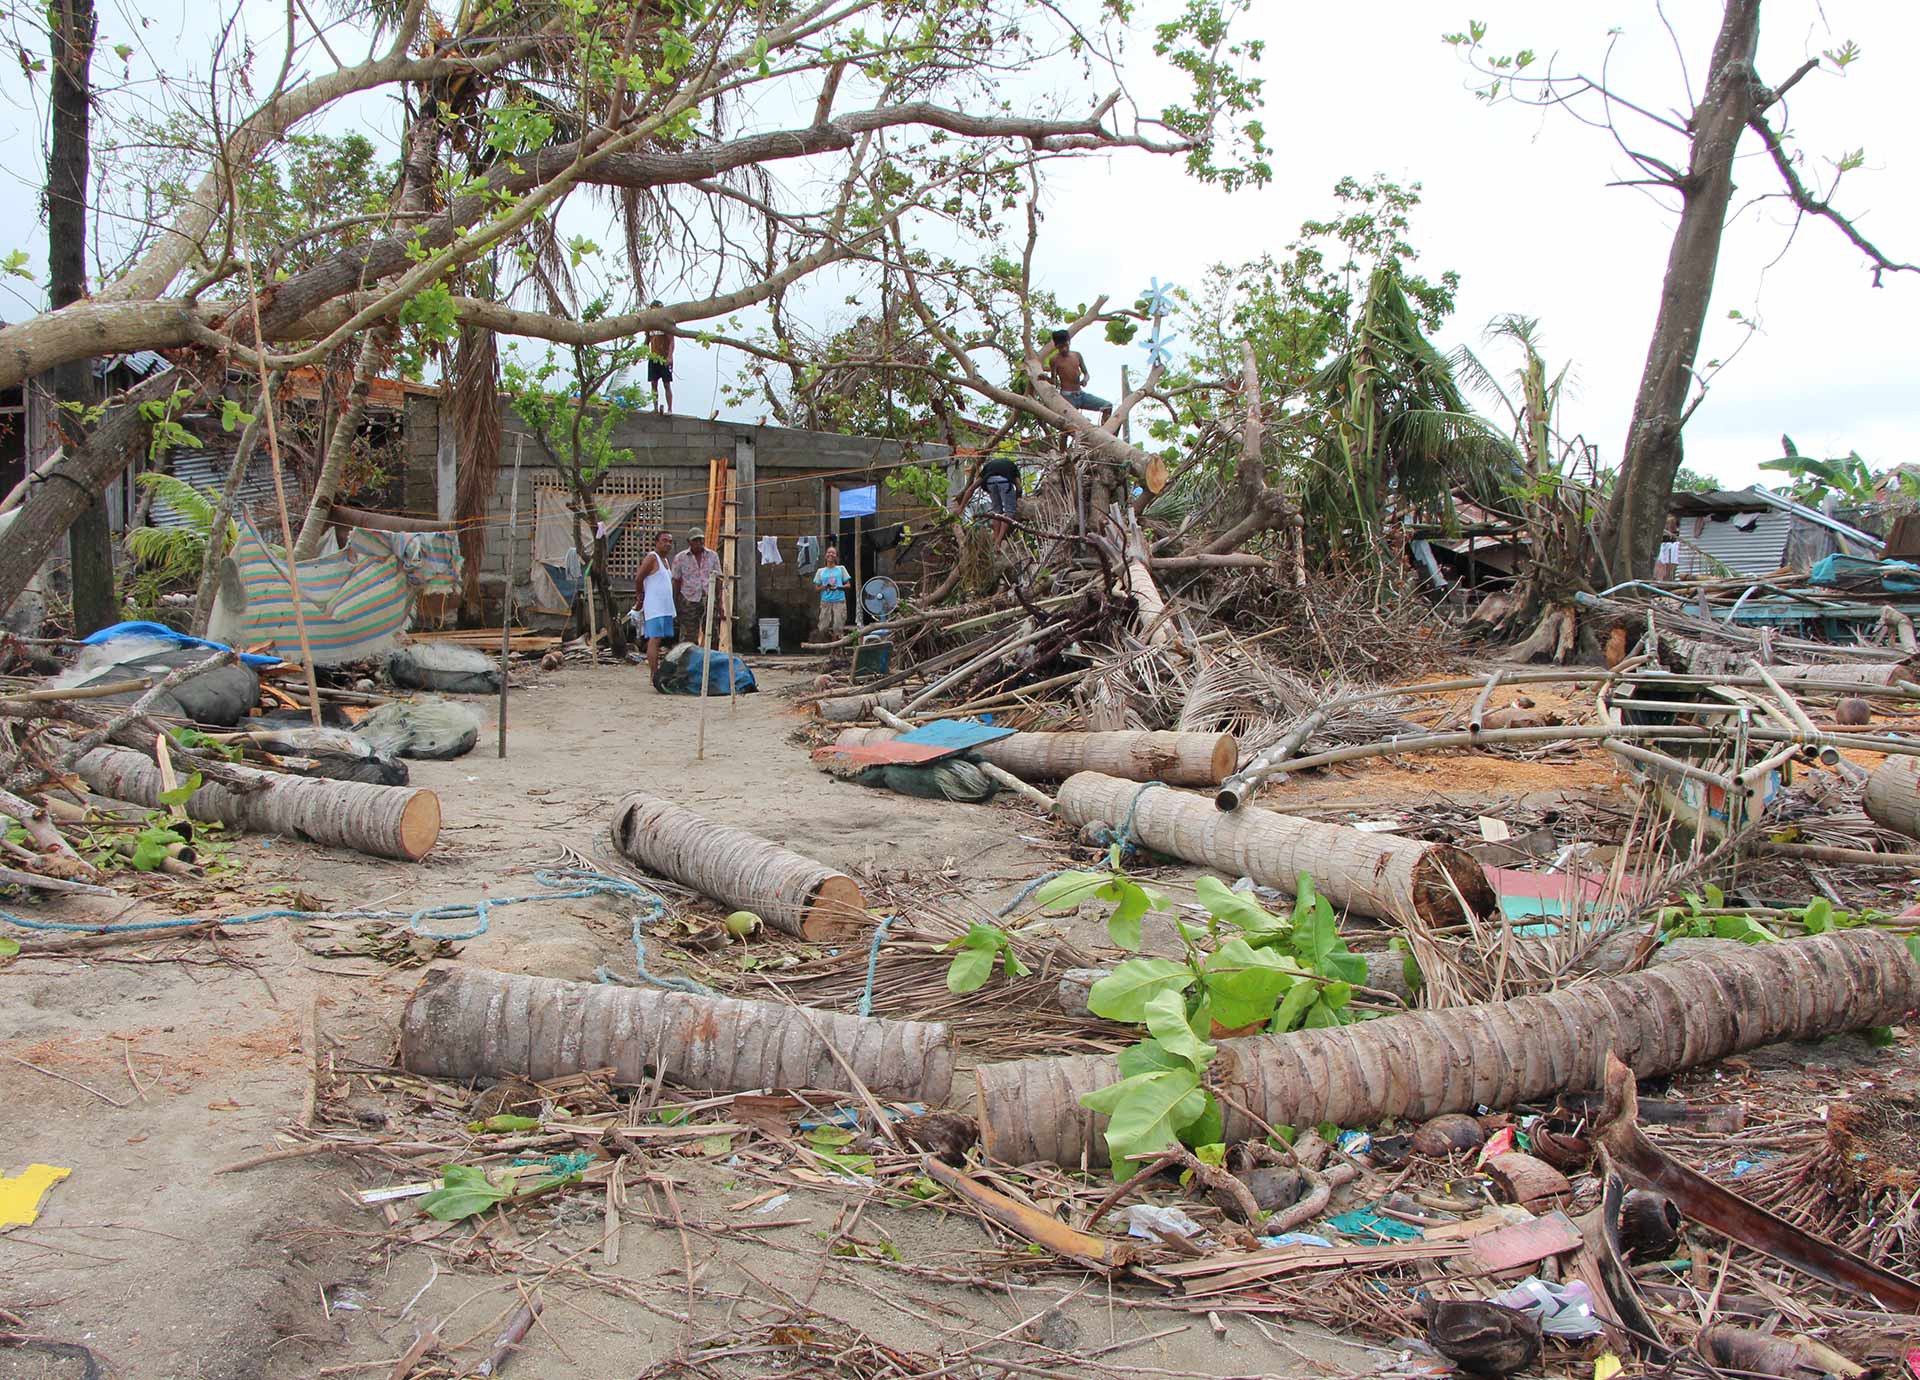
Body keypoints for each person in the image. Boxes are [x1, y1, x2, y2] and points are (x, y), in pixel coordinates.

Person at [633, 529, 676, 688]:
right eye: (664, 540)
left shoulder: (665, 561)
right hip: (655, 606)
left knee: (661, 639)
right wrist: (640, 596)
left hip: (665, 607)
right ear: (657, 542)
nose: (667, 544)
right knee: (654, 638)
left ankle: (657, 672)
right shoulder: (652, 558)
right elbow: (639, 578)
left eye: (670, 541)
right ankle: (653, 674)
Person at [1044, 328, 1111, 425]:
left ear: (1069, 342)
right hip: (1067, 397)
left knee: (1107, 406)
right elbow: (1054, 381)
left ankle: (1105, 431)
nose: (1064, 349)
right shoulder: (1054, 360)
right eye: (1061, 347)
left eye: (1066, 345)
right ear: (1056, 346)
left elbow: (1086, 374)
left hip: (1081, 394)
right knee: (1069, 425)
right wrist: (1045, 379)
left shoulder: (1077, 355)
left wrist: (1085, 380)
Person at [671, 527, 720, 648]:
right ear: (689, 542)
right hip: (688, 599)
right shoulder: (680, 558)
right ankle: (688, 661)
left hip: (708, 597)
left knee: (712, 632)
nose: (699, 542)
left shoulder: (712, 556)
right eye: (695, 540)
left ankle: (711, 660)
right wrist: (675, 600)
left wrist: (718, 599)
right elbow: (676, 580)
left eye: (701, 539)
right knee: (689, 635)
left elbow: (718, 578)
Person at [977, 454, 1021, 546]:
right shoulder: (1011, 466)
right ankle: (999, 541)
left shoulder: (988, 467)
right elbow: (1019, 488)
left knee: (996, 511)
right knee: (1009, 512)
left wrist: (961, 507)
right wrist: (1017, 500)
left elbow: (971, 488)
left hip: (990, 482)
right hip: (1004, 482)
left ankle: (995, 536)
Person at [812, 545, 851, 638]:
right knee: (823, 626)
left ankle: (838, 649)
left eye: (833, 553)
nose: (831, 554)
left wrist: (838, 587)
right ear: (825, 555)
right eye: (829, 552)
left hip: (839, 601)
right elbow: (816, 589)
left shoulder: (841, 569)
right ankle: (823, 647)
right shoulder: (820, 571)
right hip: (825, 601)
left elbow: (848, 585)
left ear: (836, 556)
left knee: (838, 626)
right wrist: (824, 587)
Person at [646, 302, 675, 415]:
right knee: (653, 383)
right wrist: (638, 356)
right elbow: (646, 341)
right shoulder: (649, 325)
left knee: (666, 384)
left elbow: (671, 341)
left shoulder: (666, 324)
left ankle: (670, 409)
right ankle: (655, 408)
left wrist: (670, 356)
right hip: (653, 357)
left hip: (664, 358)